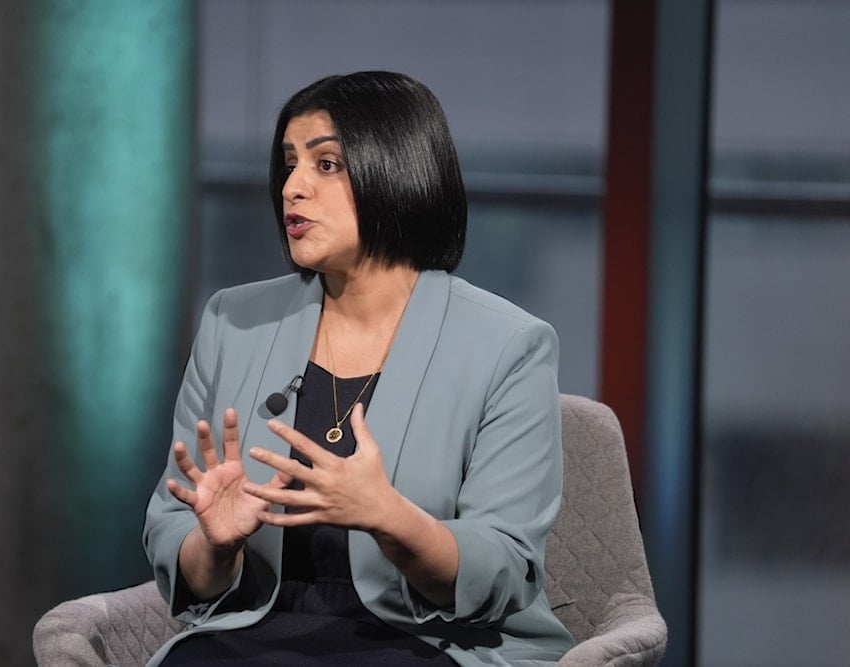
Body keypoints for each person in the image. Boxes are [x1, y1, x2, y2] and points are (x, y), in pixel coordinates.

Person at [143, 71, 574, 666]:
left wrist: (387, 516)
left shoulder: (509, 346)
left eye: (326, 165)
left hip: (428, 639)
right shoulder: (232, 322)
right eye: (288, 164)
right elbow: (174, 545)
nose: (293, 186)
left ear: (396, 169)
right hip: (256, 627)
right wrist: (216, 546)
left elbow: (504, 568)